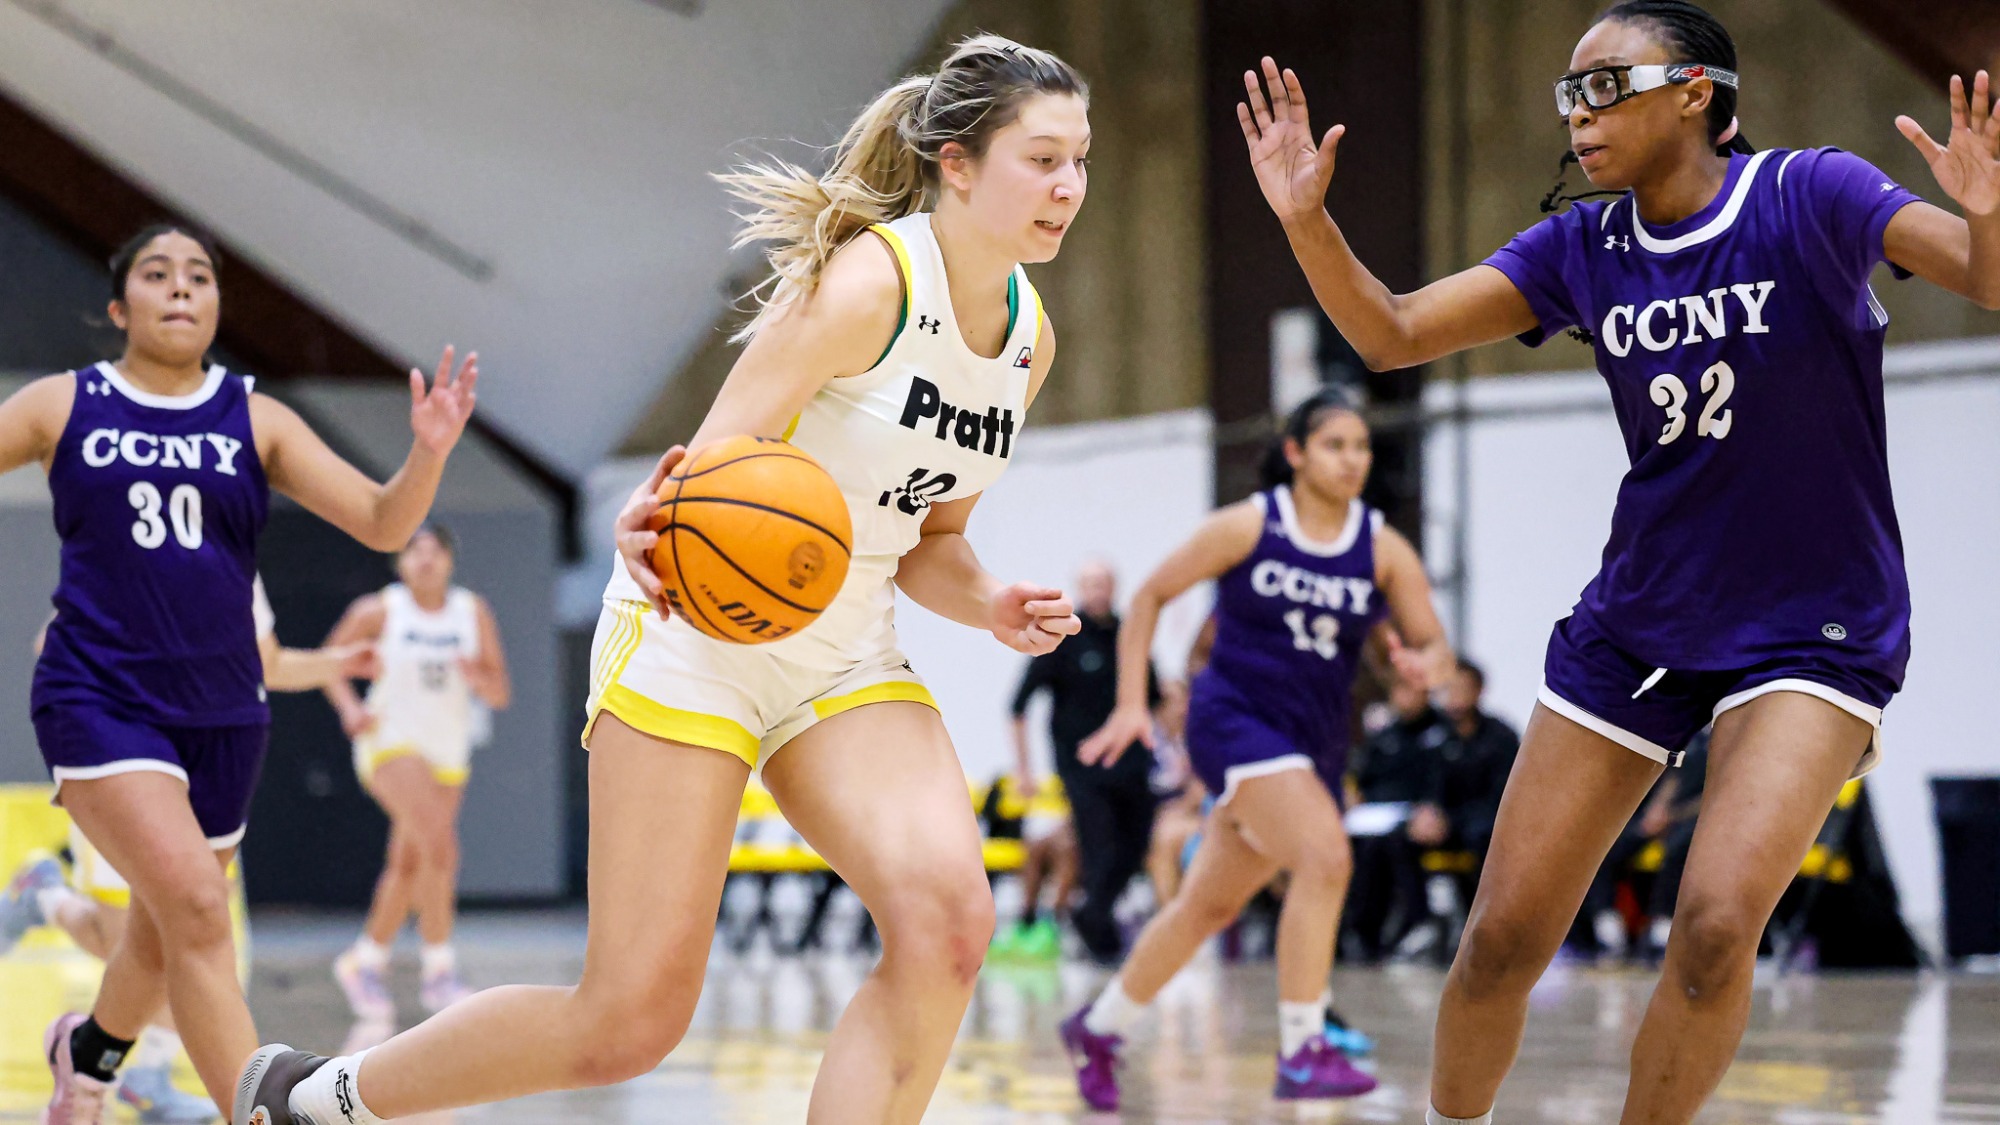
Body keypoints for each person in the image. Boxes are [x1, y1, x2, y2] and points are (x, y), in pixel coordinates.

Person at [235, 36, 1089, 1125]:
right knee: (626, 1024)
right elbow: (709, 468)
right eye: (1042, 159)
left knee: (950, 928)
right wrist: (649, 521)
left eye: (1080, 161)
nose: (1068, 186)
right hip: (700, 634)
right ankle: (315, 1098)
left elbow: (933, 539)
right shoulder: (869, 283)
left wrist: (990, 599)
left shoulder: (1027, 342)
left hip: (843, 656)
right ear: (956, 165)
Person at [1235, 1, 2000, 1117]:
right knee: (1498, 941)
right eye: (1569, 94)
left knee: (1714, 926)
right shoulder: (1581, 247)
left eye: (1604, 87)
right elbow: (1389, 331)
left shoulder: (1809, 193)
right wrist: (1305, 220)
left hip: (1814, 626)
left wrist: (1985, 211)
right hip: (1642, 617)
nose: (1578, 115)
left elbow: (1985, 277)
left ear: (1693, 93)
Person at [0, 221, 474, 1124]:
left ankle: (87, 1059)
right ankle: (256, 1110)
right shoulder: (64, 403)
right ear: (119, 306)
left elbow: (382, 520)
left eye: (200, 275)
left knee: (160, 927)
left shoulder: (256, 417)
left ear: (218, 304)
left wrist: (429, 452)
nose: (181, 287)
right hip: (98, 692)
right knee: (195, 908)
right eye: (157, 273)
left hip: (222, 711)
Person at [1058, 388, 1453, 1109]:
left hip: (1313, 742)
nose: (1352, 459)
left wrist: (1424, 665)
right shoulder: (1250, 524)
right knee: (1326, 857)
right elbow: (1148, 596)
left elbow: (1435, 644)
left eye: (1362, 446)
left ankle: (1099, 1026)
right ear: (1296, 453)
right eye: (1335, 445)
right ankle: (1303, 1046)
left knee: (1206, 907)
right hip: (1233, 719)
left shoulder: (1381, 546)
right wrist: (1131, 702)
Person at [0, 578, 373, 1123]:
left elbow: (267, 663)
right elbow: (48, 645)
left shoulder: (236, 561)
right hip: (124, 764)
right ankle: (45, 897)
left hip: (203, 768)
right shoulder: (132, 552)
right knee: (126, 942)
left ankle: (148, 1076)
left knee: (183, 932)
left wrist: (339, 663)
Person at [321, 524, 511, 1019]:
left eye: (434, 551)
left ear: (450, 560)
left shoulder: (472, 612)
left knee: (409, 864)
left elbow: (499, 693)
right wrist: (350, 708)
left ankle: (364, 961)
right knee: (441, 847)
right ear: (399, 563)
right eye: (414, 551)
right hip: (391, 742)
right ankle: (439, 970)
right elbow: (328, 662)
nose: (425, 559)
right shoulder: (379, 610)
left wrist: (476, 677)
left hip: (448, 750)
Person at [1005, 560, 1158, 963]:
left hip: (1131, 762)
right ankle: (1098, 930)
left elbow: (1156, 698)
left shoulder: (1127, 635)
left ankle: (1093, 915)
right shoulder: (1063, 638)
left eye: (1103, 583)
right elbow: (1018, 706)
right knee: (1098, 847)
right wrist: (1024, 771)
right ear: (1080, 588)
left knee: (1137, 844)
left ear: (1114, 587)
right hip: (1082, 768)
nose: (1097, 591)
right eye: (1090, 584)